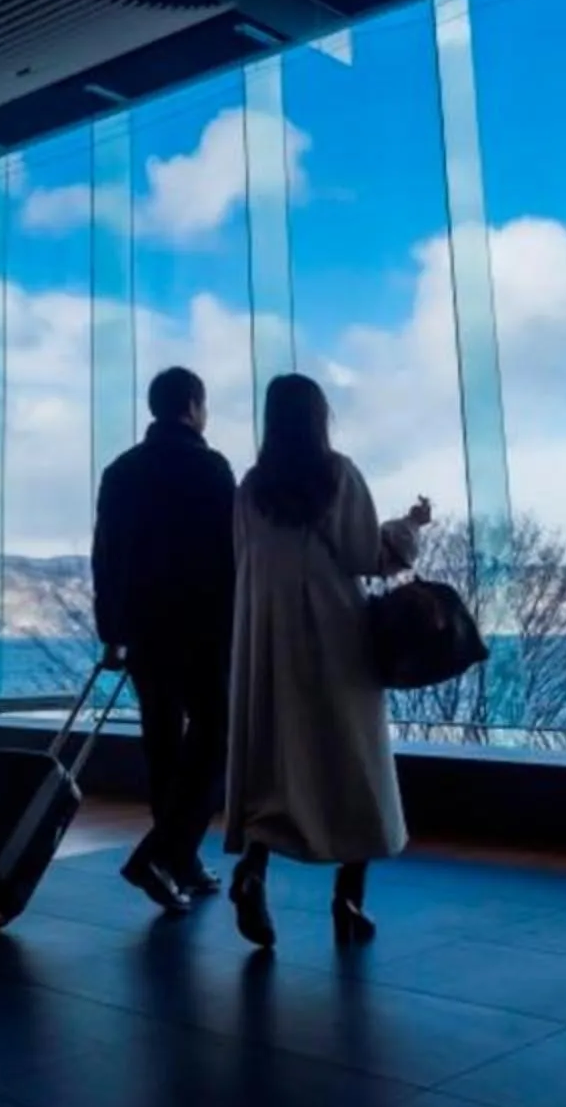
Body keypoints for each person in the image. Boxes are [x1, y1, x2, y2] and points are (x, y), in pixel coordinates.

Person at [223, 373, 432, 949]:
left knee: (275, 761)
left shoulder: (250, 487)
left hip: (266, 638)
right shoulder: (338, 474)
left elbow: (243, 559)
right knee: (352, 760)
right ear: (320, 417)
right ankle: (347, 898)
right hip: (334, 632)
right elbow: (367, 554)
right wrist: (411, 526)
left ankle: (254, 870)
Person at [90, 366, 238, 913]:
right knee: (214, 737)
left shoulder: (121, 471)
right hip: (204, 628)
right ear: (195, 406)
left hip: (144, 633)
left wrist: (112, 631)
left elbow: (104, 556)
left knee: (162, 746)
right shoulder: (211, 468)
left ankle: (179, 859)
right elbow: (232, 557)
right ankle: (165, 855)